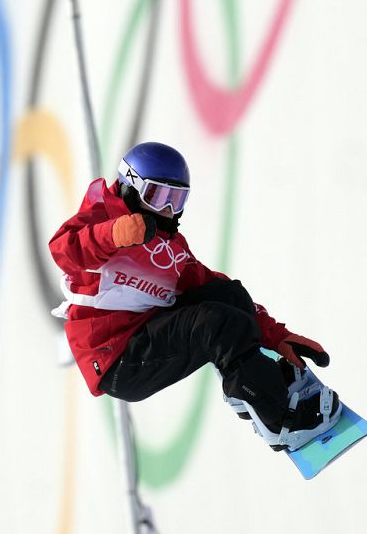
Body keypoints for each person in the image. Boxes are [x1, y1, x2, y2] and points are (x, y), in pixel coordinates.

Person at [48, 141, 340, 450]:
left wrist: (276, 336)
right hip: (117, 360)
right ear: (130, 187)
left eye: (177, 199)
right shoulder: (101, 217)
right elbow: (65, 251)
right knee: (213, 323)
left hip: (147, 330)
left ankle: (253, 388)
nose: (168, 210)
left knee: (228, 295)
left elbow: (206, 283)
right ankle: (281, 422)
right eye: (158, 196)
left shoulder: (168, 247)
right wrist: (115, 234)